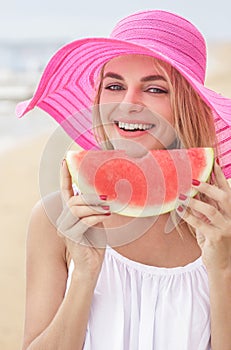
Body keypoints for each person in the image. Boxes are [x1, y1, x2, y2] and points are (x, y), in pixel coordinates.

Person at [16, 10, 231, 350]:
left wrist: (223, 269)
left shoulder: (221, 224)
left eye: (155, 89)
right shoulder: (56, 219)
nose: (128, 104)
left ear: (187, 106)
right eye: (114, 86)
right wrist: (84, 273)